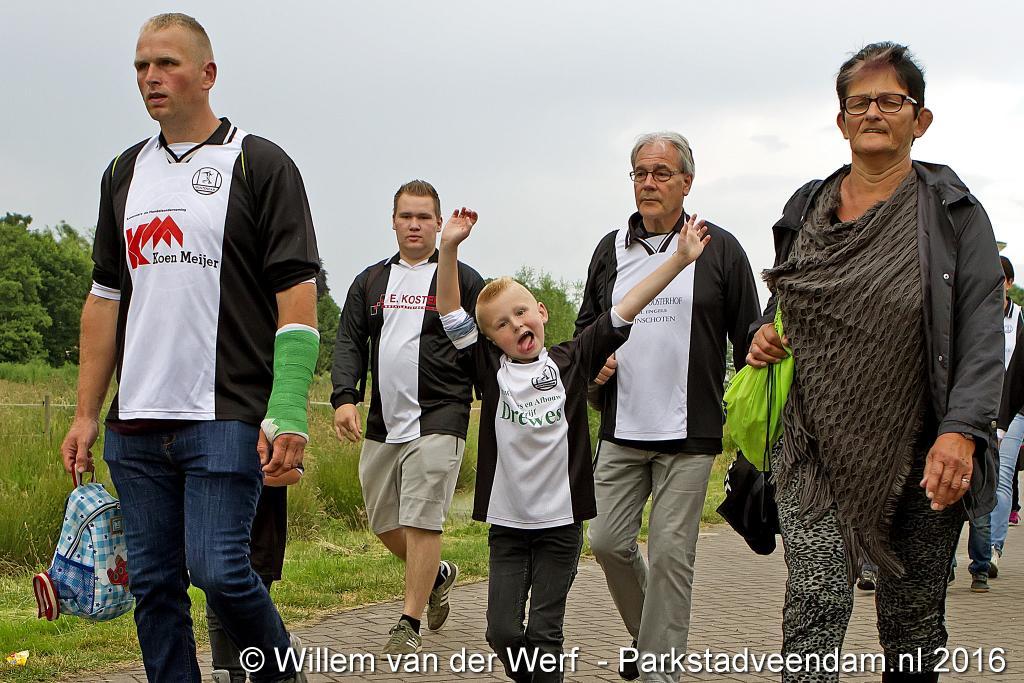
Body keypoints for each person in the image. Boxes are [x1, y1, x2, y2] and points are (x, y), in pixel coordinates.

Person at [59, 13, 318, 683]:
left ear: (207, 74)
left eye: (167, 64)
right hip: (137, 422)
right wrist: (85, 414)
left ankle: (280, 672)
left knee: (221, 569)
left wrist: (289, 408)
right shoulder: (123, 171)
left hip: (225, 414)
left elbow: (297, 295)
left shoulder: (260, 163)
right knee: (153, 586)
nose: (151, 77)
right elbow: (104, 299)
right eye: (141, 65)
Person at [746, 42, 1003, 682]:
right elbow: (788, 301)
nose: (873, 113)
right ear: (841, 121)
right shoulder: (806, 206)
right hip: (811, 443)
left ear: (921, 119)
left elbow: (981, 334)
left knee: (912, 621)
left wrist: (961, 432)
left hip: (922, 449)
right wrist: (763, 334)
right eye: (859, 102)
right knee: (815, 600)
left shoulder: (954, 213)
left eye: (891, 100)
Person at [436, 207, 710, 683]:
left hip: (561, 528)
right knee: (502, 631)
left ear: (541, 313)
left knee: (545, 634)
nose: (515, 325)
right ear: (491, 338)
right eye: (501, 324)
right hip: (508, 528)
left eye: (521, 312)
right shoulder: (488, 369)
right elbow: (448, 312)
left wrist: (680, 260)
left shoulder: (573, 360)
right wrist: (448, 248)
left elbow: (626, 307)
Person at [574, 132, 760, 681]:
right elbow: (587, 331)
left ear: (686, 182)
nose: (648, 183)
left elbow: (749, 332)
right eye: (640, 173)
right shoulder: (610, 249)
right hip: (621, 428)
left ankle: (661, 671)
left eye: (661, 173)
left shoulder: (720, 248)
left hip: (690, 434)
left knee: (672, 555)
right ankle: (652, 639)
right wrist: (596, 364)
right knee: (606, 541)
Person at [331, 180, 484, 655]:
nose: (414, 225)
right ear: (393, 222)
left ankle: (408, 623)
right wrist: (345, 397)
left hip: (442, 415)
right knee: (383, 521)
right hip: (384, 421)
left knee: (422, 520)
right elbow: (350, 342)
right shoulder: (370, 281)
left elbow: (485, 340)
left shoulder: (463, 278)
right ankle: (436, 575)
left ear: (438, 223)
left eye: (423, 217)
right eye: (406, 216)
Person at [209, 466, 303, 683]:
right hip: (220, 530)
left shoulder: (269, 442)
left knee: (249, 611)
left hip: (261, 535)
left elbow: (294, 472)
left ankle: (278, 653)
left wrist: (245, 475)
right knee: (216, 606)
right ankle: (228, 674)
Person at [991, 256, 1024, 573]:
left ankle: (992, 547)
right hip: (983, 405)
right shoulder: (975, 316)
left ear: (1010, 283)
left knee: (1003, 476)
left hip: (1013, 409)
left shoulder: (1020, 318)